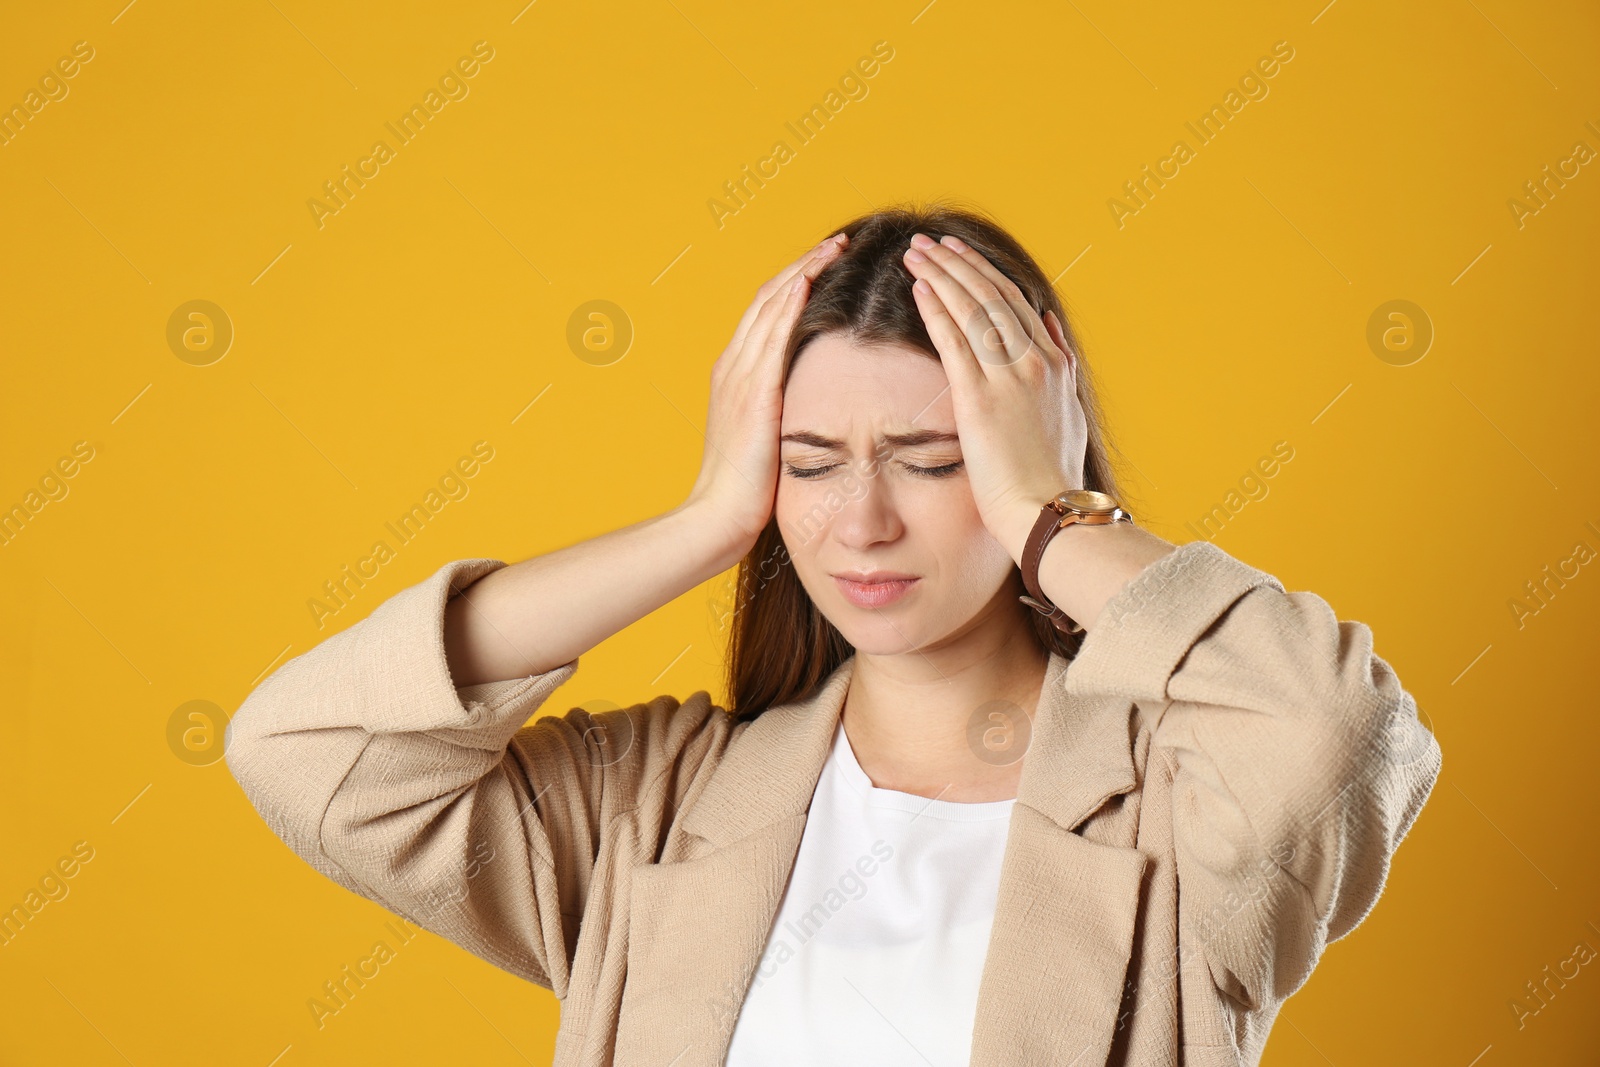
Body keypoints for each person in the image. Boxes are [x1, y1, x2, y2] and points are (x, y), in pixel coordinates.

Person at [225, 203, 1442, 1066]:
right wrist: (705, 522)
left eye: (930, 461)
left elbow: (1337, 730)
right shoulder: (648, 808)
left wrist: (1047, 512)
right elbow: (306, 748)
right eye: (808, 464)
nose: (859, 520)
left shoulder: (1179, 810)